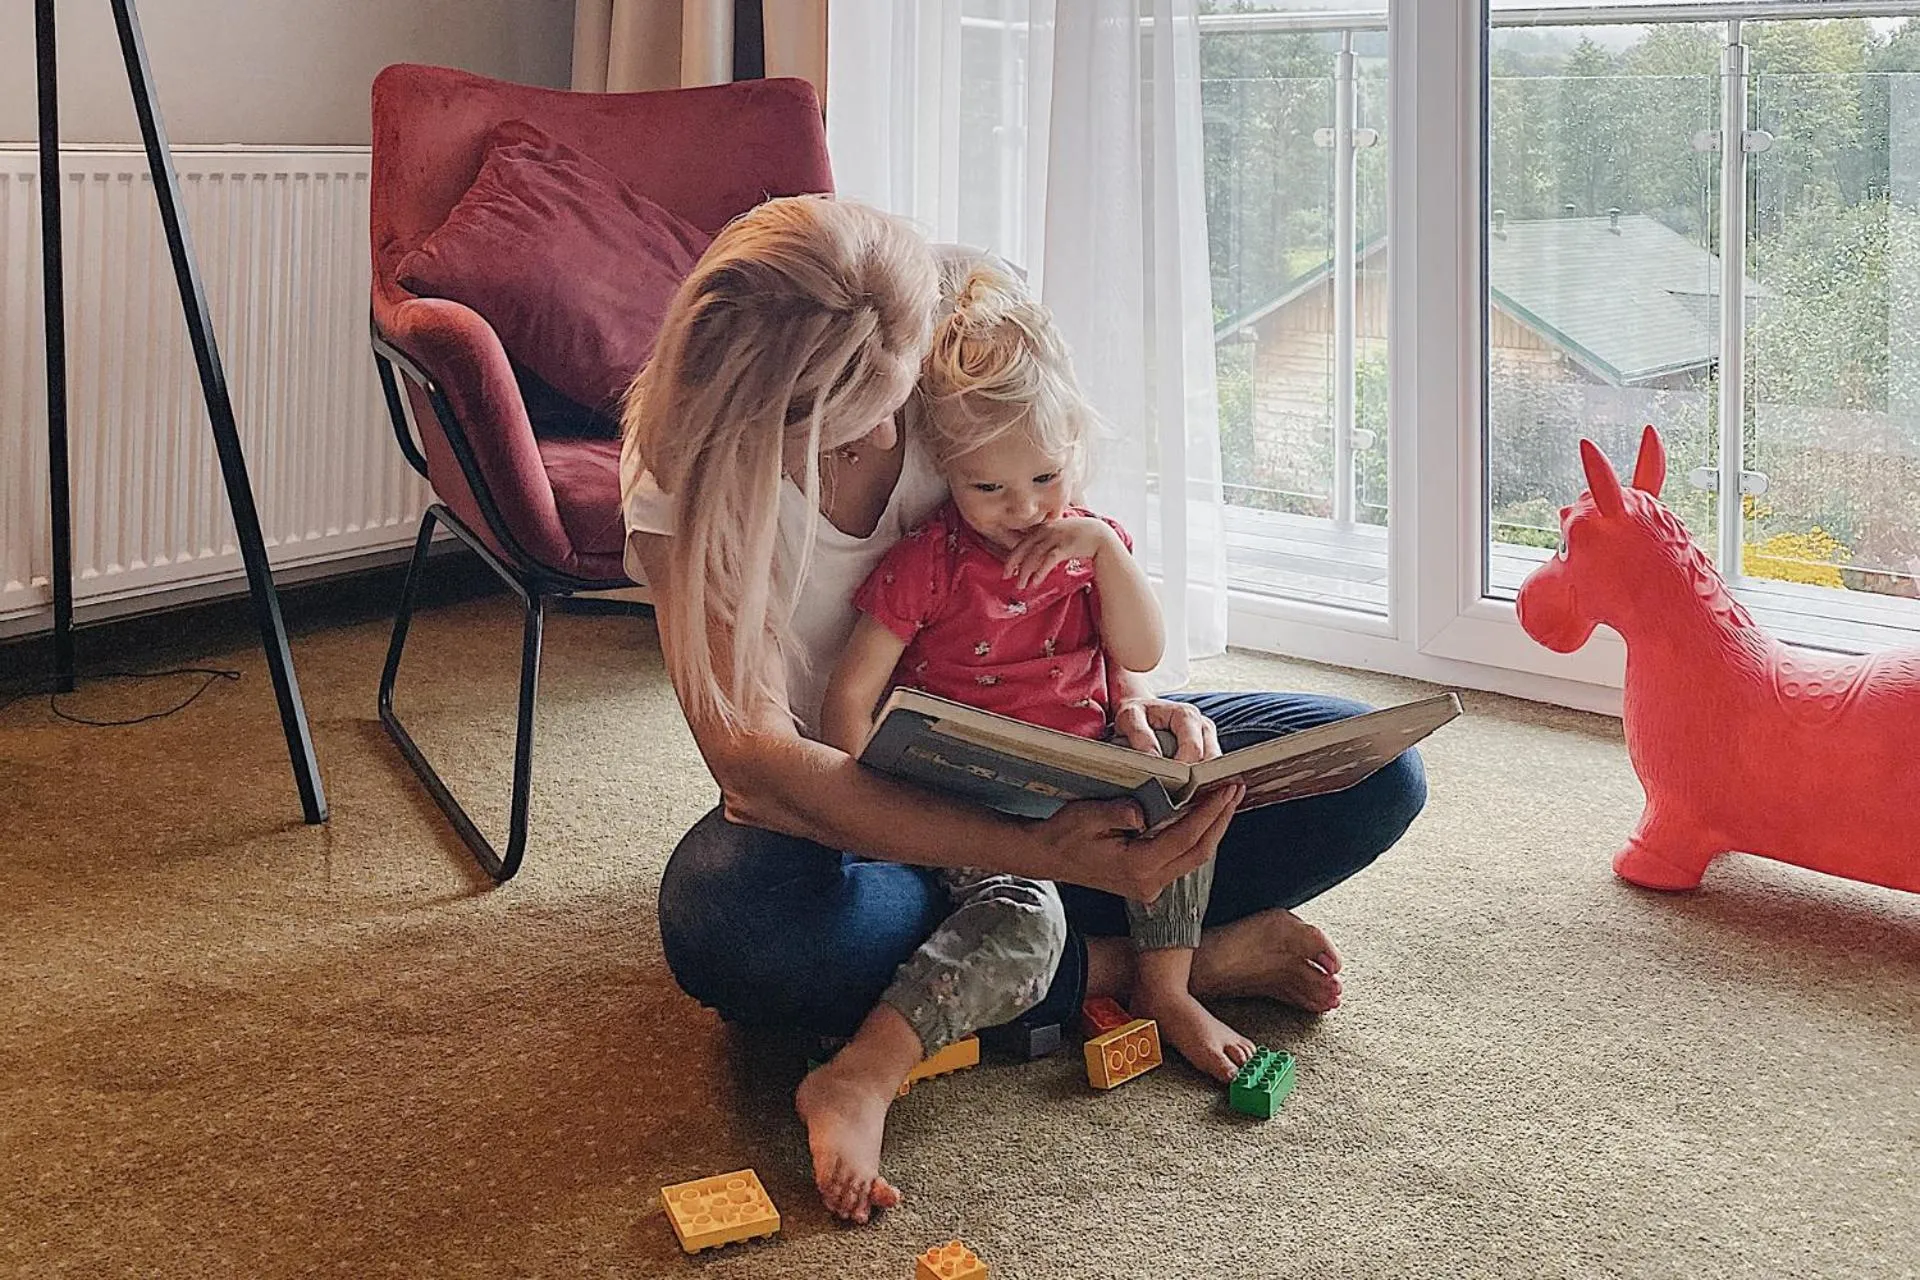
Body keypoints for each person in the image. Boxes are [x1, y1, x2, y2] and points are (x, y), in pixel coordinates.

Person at [620, 196, 1427, 1227]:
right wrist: (1052, 854)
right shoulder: (682, 475)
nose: (882, 430)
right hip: (859, 813)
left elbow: (1069, 531)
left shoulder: (958, 316)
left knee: (1371, 769)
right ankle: (1163, 959)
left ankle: (1039, 944)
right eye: (843, 416)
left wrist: (1142, 706)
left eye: (895, 396)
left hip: (1057, 751)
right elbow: (757, 767)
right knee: (728, 923)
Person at [819, 260, 1259, 1089]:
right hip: (972, 807)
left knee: (1195, 790)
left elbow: (1142, 653)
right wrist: (875, 820)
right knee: (1025, 923)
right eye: (988, 486)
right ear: (947, 471)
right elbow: (848, 696)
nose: (1022, 507)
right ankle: (875, 1064)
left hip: (1087, 780)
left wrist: (1105, 551)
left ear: (1075, 456)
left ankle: (1166, 987)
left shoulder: (1092, 544)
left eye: (1046, 478)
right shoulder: (930, 562)